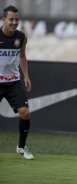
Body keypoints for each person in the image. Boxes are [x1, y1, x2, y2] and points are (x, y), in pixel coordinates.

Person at [0, 5, 34, 159]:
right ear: (3, 20)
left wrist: (26, 76)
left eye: (16, 19)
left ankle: (21, 147)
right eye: (11, 19)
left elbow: (22, 56)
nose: (14, 22)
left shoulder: (21, 37)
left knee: (25, 113)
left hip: (13, 82)